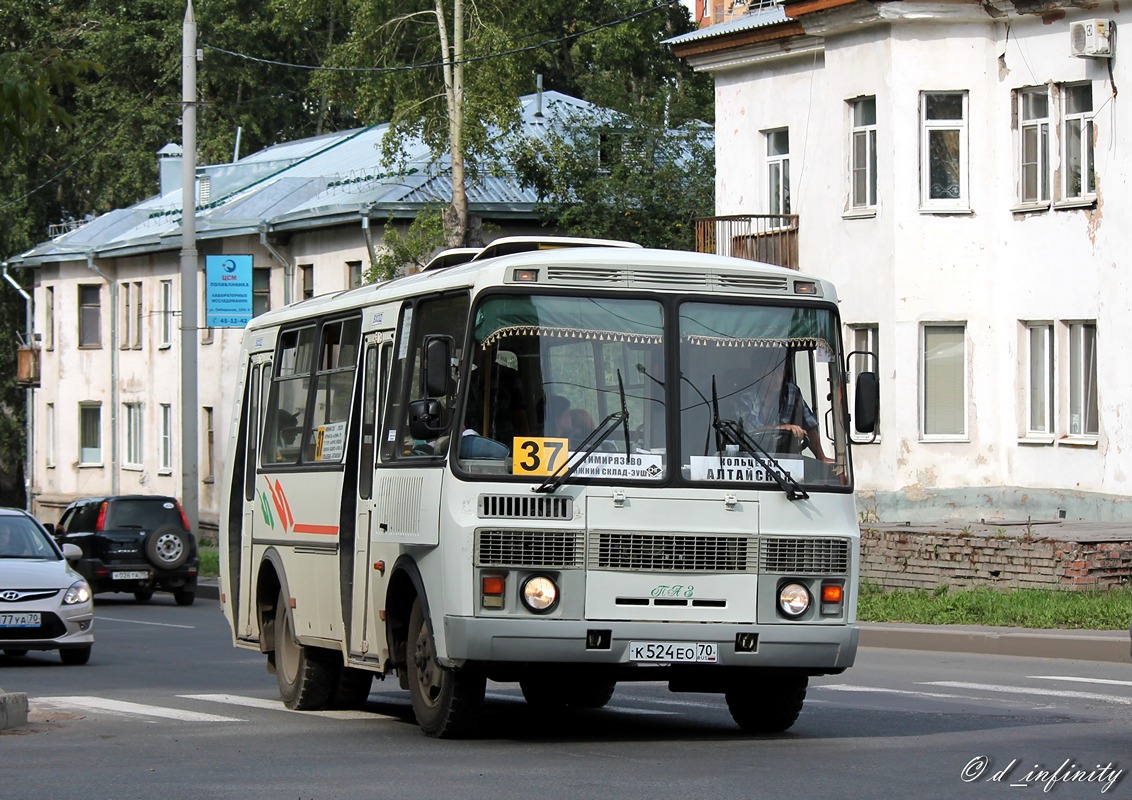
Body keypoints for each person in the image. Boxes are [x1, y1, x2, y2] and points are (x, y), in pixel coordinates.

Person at [724, 349, 833, 463]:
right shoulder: (744, 400)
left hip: (784, 465)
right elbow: (751, 431)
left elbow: (809, 425)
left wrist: (821, 457)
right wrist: (783, 428)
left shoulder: (792, 392)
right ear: (758, 375)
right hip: (749, 463)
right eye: (771, 373)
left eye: (780, 371)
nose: (777, 378)